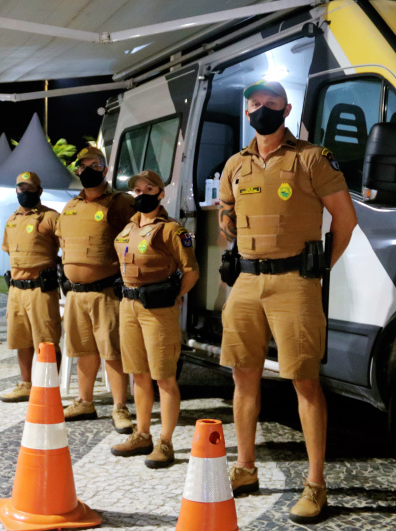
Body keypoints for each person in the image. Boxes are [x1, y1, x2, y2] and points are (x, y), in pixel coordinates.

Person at [218, 80, 357, 523]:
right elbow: (226, 211)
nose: (263, 109)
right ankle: (245, 468)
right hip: (246, 282)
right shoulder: (235, 164)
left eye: (271, 103)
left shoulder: (311, 158)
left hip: (295, 282)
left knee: (304, 382)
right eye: (255, 104)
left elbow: (346, 218)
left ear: (286, 109)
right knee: (243, 377)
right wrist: (231, 230)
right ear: (247, 112)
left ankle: (315, 485)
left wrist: (321, 267)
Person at [110, 170, 199, 468]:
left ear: (161, 194)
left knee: (164, 377)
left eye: (148, 189)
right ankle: (142, 434)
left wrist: (175, 297)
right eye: (137, 190)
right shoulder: (128, 227)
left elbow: (191, 271)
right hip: (129, 306)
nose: (141, 194)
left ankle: (165, 442)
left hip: (158, 310)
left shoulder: (171, 230)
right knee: (138, 374)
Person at [54, 146, 135, 431]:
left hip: (106, 293)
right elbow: (62, 241)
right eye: (82, 166)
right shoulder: (70, 206)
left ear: (105, 169)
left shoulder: (120, 202)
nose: (87, 170)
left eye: (94, 165)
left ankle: (120, 407)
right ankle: (84, 402)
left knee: (112, 351)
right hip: (76, 294)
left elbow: (136, 238)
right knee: (83, 350)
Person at [0, 171, 62, 403]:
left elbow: (67, 246)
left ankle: (48, 388)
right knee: (21, 340)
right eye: (21, 188)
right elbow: (8, 250)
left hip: (40, 289)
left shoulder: (51, 217)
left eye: (30, 188)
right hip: (16, 289)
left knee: (47, 341)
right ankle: (26, 384)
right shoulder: (12, 219)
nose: (25, 192)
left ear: (39, 190)